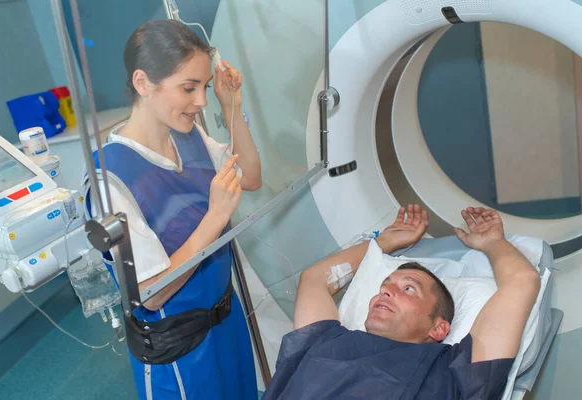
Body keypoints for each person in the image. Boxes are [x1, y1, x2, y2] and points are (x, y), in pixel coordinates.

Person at [83, 20, 261, 400]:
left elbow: (251, 176)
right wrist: (215, 218)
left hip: (225, 323)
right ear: (144, 83)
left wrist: (233, 108)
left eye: (205, 88)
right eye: (188, 88)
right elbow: (151, 293)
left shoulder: (189, 136)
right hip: (178, 350)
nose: (201, 102)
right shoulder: (109, 179)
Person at [262, 204, 542, 400]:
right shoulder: (321, 339)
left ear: (439, 328)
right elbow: (314, 280)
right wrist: (382, 244)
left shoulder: (456, 373)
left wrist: (492, 242)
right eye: (385, 286)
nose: (385, 291)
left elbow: (522, 281)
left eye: (409, 288)